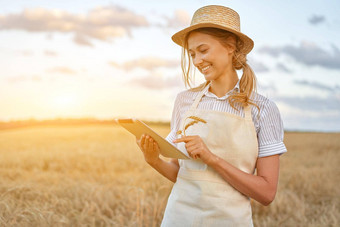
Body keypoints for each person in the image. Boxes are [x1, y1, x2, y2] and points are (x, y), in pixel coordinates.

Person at [137, 5, 287, 226]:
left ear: (230, 45)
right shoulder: (184, 101)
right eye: (192, 54)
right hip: (179, 218)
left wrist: (212, 159)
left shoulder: (263, 109)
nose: (197, 61)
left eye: (203, 50)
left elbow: (266, 193)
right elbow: (180, 173)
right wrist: (153, 161)